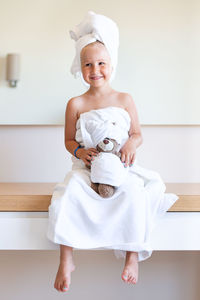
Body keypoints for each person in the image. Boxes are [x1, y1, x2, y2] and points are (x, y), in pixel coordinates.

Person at [47, 11, 178, 293]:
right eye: (88, 64)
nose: (95, 70)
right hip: (87, 169)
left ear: (111, 64)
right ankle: (67, 258)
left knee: (136, 194)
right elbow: (69, 141)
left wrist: (132, 143)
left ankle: (133, 256)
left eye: (101, 63)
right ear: (80, 68)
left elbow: (137, 133)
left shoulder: (124, 99)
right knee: (68, 193)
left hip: (120, 168)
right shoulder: (76, 104)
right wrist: (81, 152)